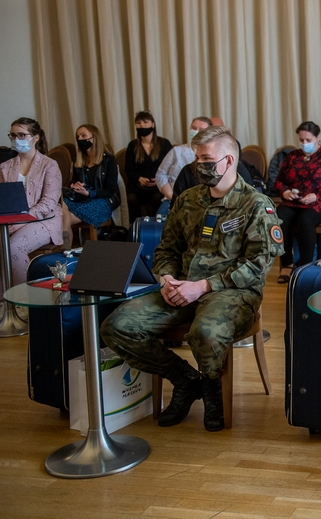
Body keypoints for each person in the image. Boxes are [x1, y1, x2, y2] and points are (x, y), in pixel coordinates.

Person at [100, 127, 284, 432]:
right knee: (117, 327)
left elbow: (258, 264)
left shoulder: (255, 205)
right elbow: (166, 248)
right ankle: (185, 379)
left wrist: (203, 286)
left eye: (205, 158)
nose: (198, 165)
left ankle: (212, 389)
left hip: (233, 292)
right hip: (181, 288)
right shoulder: (187, 200)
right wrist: (167, 279)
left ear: (228, 160)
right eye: (197, 157)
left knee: (206, 333)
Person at [273, 121, 321, 282]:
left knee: (306, 220)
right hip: (295, 201)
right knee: (279, 218)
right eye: (302, 140)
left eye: (308, 140)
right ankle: (286, 264)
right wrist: (285, 191)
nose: (304, 144)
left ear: (317, 138)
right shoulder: (293, 156)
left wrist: (317, 195)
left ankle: (305, 266)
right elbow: (278, 180)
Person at [0, 118, 63, 290]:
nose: (16, 139)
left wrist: (21, 220)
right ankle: (4, 300)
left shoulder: (49, 165)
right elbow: (4, 200)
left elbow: (49, 203)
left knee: (13, 247)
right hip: (12, 221)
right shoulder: (5, 167)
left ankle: (22, 296)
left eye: (21, 135)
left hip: (45, 220)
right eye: (13, 135)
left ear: (35, 138)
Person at [61, 124, 121, 247]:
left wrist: (89, 193)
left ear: (94, 138)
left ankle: (64, 249)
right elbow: (74, 182)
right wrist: (75, 186)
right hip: (82, 198)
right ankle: (66, 249)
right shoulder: (78, 159)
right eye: (78, 137)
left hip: (102, 200)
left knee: (60, 219)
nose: (80, 139)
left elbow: (110, 190)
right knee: (61, 204)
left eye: (84, 136)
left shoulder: (109, 160)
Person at [125, 111, 173, 219]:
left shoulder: (164, 143)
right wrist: (139, 178)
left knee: (157, 198)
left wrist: (158, 180)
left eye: (145, 122)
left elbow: (171, 167)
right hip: (138, 186)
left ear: (153, 124)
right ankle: (135, 228)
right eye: (138, 123)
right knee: (131, 198)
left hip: (159, 186)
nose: (141, 125)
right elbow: (129, 169)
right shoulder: (133, 145)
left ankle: (156, 228)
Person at [156, 116, 213, 201]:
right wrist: (172, 196)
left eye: (201, 130)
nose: (196, 132)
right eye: (194, 128)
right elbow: (160, 174)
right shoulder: (177, 151)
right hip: (174, 198)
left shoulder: (214, 154)